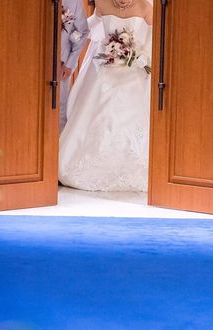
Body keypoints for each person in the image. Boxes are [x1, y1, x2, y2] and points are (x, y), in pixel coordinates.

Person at [59, 0, 153, 192]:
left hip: (130, 69)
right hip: (108, 67)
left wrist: (136, 55)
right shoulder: (104, 3)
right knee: (96, 110)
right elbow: (92, 30)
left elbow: (152, 39)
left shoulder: (144, 7)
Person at [60, 0, 89, 132]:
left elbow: (82, 32)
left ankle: (58, 142)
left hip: (61, 62)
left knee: (60, 106)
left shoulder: (74, 2)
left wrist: (69, 64)